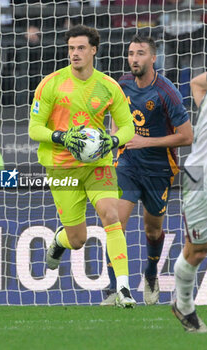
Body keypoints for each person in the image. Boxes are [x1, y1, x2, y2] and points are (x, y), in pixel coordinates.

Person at [29, 24, 136, 308]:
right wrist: (61, 136)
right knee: (78, 239)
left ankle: (124, 288)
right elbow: (34, 128)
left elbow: (128, 128)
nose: (74, 54)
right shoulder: (50, 83)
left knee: (111, 215)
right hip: (62, 168)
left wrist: (111, 141)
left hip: (98, 164)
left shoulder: (109, 86)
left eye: (79, 48)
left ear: (93, 51)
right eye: (70, 48)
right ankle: (59, 241)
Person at [101, 34, 193, 306]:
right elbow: (116, 116)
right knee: (115, 223)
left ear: (153, 58)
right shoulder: (123, 84)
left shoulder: (167, 92)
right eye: (130, 53)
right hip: (128, 164)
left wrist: (145, 141)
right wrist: (116, 139)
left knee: (152, 231)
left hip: (159, 169)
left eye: (140, 53)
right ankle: (114, 289)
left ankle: (151, 274)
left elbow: (187, 136)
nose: (134, 59)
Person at [172, 72, 207, 333]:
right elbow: (197, 82)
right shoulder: (202, 88)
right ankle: (183, 305)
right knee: (196, 250)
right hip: (200, 176)